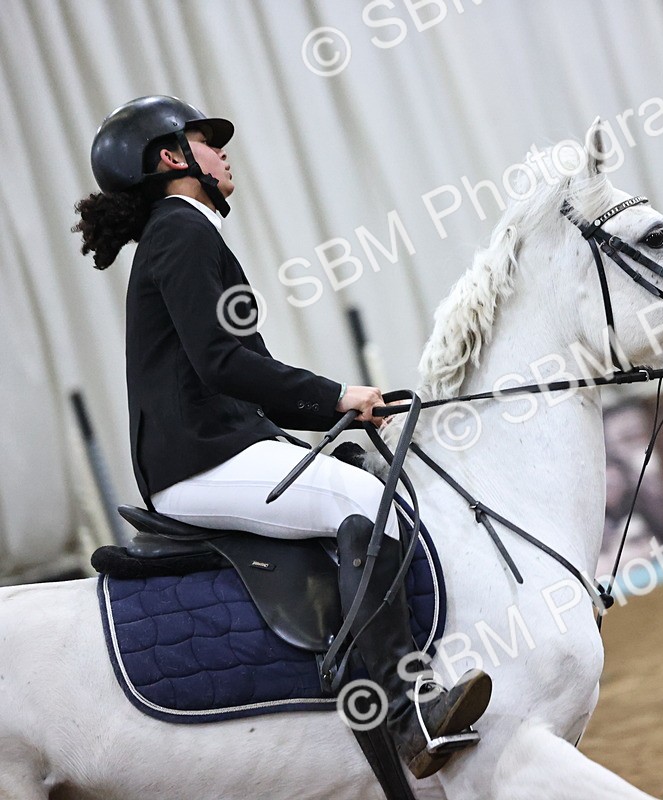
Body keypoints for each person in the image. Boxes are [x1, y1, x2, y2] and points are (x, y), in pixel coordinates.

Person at [74, 95, 489, 778]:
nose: (224, 150)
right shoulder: (180, 231)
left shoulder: (183, 230)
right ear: (173, 158)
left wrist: (337, 411)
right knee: (366, 507)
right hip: (199, 462)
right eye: (207, 140)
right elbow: (223, 363)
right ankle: (407, 712)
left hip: (218, 447)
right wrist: (336, 395)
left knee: (359, 480)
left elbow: (226, 373)